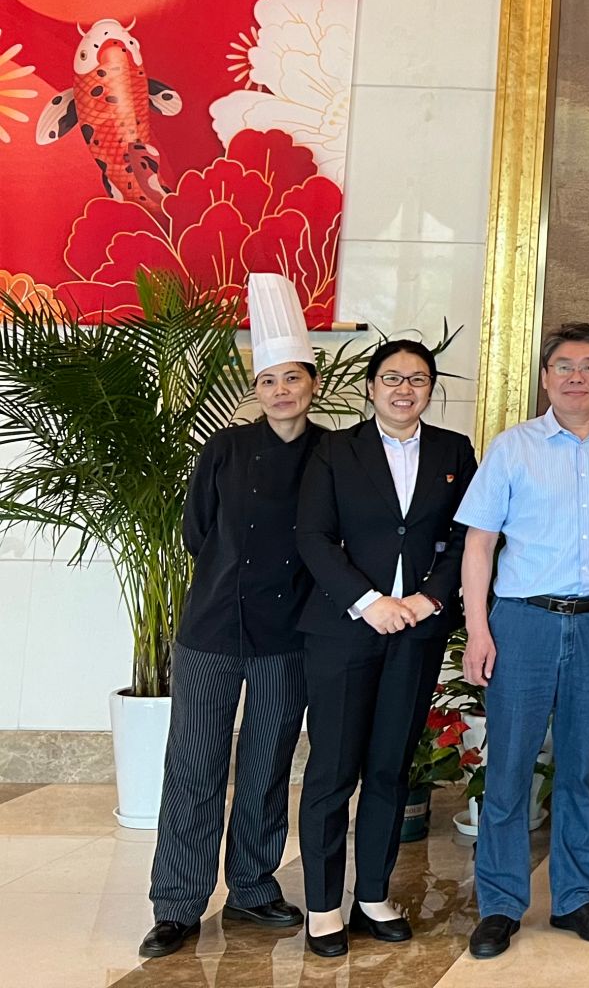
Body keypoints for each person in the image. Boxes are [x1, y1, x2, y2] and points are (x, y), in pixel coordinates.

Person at [455, 323, 589, 960]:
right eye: (563, 366)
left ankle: (574, 897)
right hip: (524, 623)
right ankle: (500, 904)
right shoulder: (512, 448)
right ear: (545, 378)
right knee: (509, 768)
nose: (576, 376)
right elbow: (479, 544)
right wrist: (479, 629)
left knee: (581, 769)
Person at [141, 274, 323, 960]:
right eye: (268, 380)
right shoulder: (224, 447)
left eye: (292, 377)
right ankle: (177, 904)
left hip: (288, 635)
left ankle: (251, 886)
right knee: (193, 765)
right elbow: (198, 531)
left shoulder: (333, 454)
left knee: (267, 762)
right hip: (212, 628)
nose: (281, 390)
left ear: (312, 382)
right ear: (257, 389)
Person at [295, 339, 477, 956]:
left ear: (431, 389)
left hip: (416, 631)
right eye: (392, 378)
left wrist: (429, 599)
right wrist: (368, 601)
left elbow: (466, 537)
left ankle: (373, 894)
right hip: (344, 630)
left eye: (418, 380)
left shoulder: (454, 451)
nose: (405, 389)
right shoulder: (333, 450)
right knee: (332, 771)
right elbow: (313, 536)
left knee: (389, 768)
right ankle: (324, 905)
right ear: (371, 387)